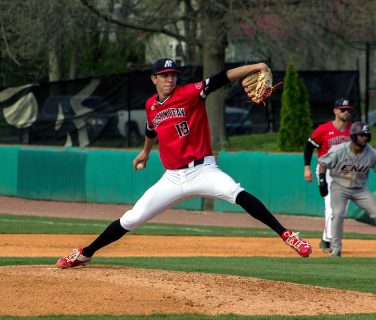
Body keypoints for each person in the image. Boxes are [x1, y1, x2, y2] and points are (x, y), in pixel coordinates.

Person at [56, 58, 312, 268]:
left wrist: (257, 66)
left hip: (203, 169)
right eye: (164, 75)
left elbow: (223, 77)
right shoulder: (151, 105)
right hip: (172, 178)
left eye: (173, 74)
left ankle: (287, 234)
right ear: (154, 79)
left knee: (238, 193)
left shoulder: (190, 93)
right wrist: (145, 153)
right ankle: (85, 253)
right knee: (132, 219)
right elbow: (150, 130)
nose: (170, 79)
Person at [318, 121, 376, 258]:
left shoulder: (371, 153)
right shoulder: (339, 150)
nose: (364, 138)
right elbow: (323, 162)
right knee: (338, 214)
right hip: (339, 187)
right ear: (353, 136)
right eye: (361, 135)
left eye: (366, 135)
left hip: (359, 189)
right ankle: (336, 250)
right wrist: (322, 180)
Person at [303, 98, 353, 253]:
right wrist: (307, 168)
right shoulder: (323, 129)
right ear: (335, 111)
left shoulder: (353, 129)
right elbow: (309, 147)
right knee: (331, 204)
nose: (346, 112)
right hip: (327, 170)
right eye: (343, 109)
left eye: (348, 110)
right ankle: (332, 241)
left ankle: (325, 240)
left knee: (342, 208)